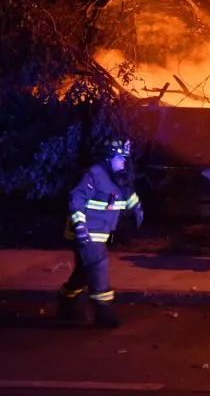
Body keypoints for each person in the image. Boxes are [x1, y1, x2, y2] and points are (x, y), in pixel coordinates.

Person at [57, 138, 143, 328]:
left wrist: (136, 207)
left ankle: (65, 302)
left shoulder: (118, 176)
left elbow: (125, 194)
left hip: (99, 232)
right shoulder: (94, 175)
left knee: (83, 273)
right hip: (88, 232)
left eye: (125, 158)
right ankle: (104, 312)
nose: (123, 162)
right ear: (109, 158)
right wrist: (80, 225)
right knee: (98, 265)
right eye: (120, 158)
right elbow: (77, 198)